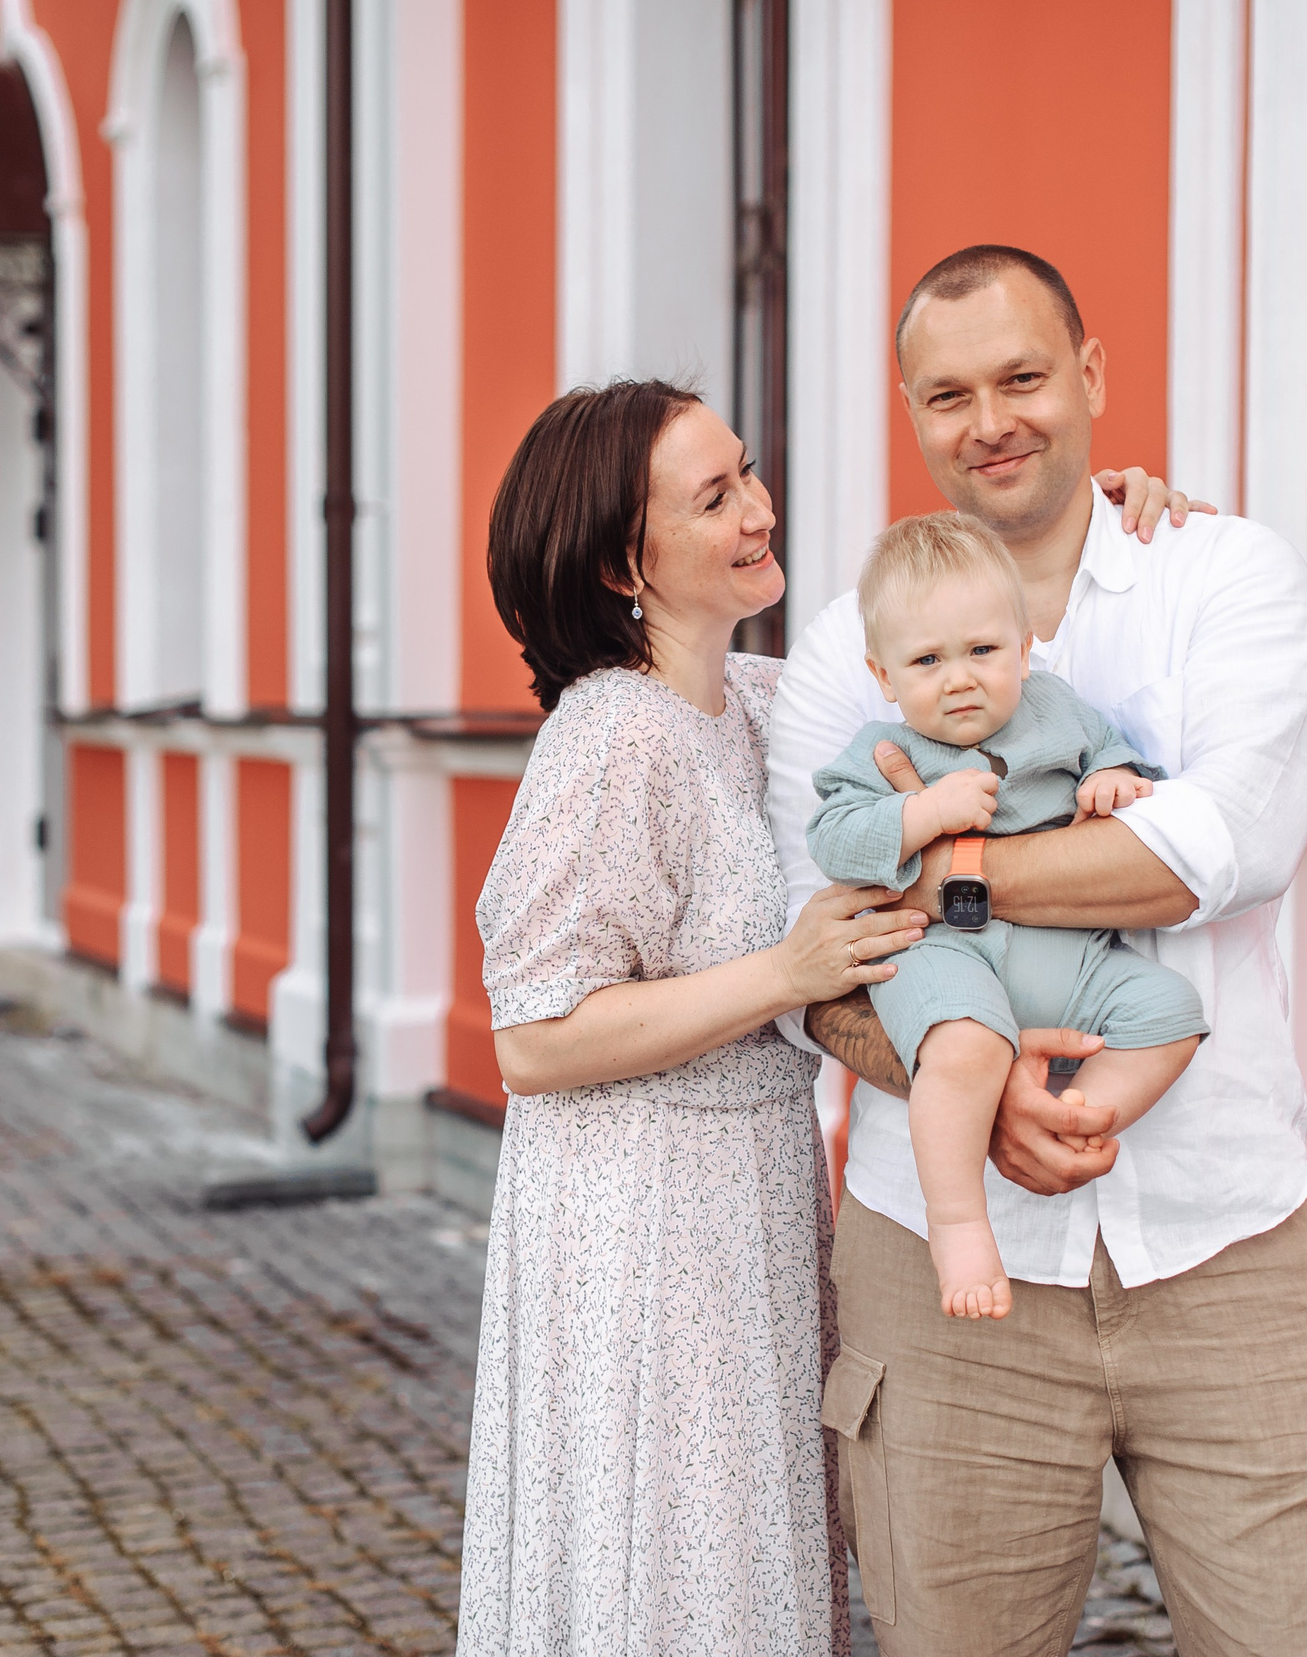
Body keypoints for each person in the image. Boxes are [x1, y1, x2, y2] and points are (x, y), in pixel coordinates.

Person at [765, 245, 1307, 1657]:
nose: (990, 422)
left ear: (1093, 376)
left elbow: (1217, 850)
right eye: (949, 395)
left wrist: (949, 877)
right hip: (938, 1271)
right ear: (912, 414)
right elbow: (812, 951)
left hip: (1228, 1241)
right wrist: (974, 1101)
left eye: (1024, 377)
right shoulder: (843, 648)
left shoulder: (1220, 574)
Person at [457, 379, 928, 1657]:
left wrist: (1100, 528)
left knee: (745, 1568)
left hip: (752, 1194)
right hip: (639, 1223)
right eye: (714, 498)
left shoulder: (765, 701)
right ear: (625, 564)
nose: (759, 510)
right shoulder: (612, 737)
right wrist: (785, 973)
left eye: (748, 473)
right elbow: (533, 1040)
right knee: (675, 1574)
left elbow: (957, 663)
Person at [805, 510, 1205, 1321]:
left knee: (1171, 1012)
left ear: (1024, 650)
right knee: (961, 1049)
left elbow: (1115, 754)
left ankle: (1075, 1118)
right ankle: (958, 1222)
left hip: (1074, 958)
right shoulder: (882, 752)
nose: (959, 679)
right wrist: (922, 814)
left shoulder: (1058, 710)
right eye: (928, 660)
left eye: (983, 651)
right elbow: (832, 840)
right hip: (948, 959)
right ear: (885, 676)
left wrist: (1113, 779)